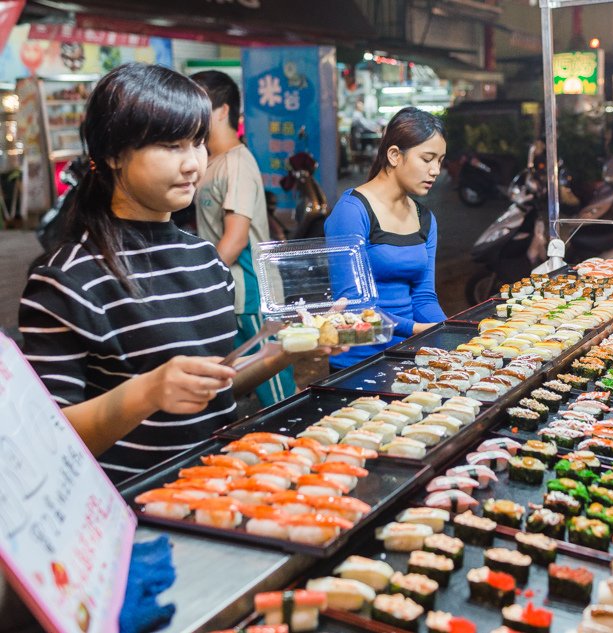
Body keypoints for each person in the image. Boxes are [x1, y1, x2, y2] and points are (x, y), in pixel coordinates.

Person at [18, 63, 336, 482]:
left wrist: (287, 350)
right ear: (112, 154)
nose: (193, 164)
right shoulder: (67, 280)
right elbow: (46, 438)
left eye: (198, 143)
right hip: (132, 508)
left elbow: (218, 388)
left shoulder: (205, 259)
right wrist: (146, 391)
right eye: (171, 146)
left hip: (210, 490)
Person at [190, 70, 297, 407]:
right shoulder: (210, 161)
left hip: (250, 293)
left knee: (277, 394)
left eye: (198, 102)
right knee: (235, 384)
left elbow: (235, 240)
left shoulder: (237, 162)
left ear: (222, 111)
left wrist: (197, 284)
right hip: (229, 293)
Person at [324, 106, 447, 370]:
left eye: (440, 160)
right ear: (394, 155)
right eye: (427, 159)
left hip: (409, 355)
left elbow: (424, 297)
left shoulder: (424, 218)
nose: (436, 170)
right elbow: (354, 307)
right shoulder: (352, 212)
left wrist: (447, 332)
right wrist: (414, 329)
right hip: (357, 362)